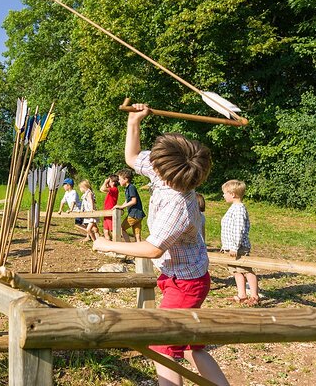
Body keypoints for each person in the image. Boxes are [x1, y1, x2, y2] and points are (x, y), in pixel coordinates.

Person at [93, 103, 229, 386]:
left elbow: (153, 248)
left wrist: (108, 246)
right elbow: (132, 157)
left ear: (164, 169)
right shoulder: (165, 174)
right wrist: (134, 122)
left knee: (163, 349)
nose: (149, 162)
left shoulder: (177, 205)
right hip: (178, 276)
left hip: (186, 283)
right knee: (192, 345)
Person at [220, 180, 258, 307]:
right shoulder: (233, 208)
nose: (223, 195)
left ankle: (254, 296)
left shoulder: (239, 209)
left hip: (238, 247)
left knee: (246, 270)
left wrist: (234, 247)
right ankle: (242, 295)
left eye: (225, 193)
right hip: (231, 247)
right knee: (236, 271)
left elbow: (238, 229)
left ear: (233, 194)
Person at [115, 168, 145, 242]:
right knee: (137, 234)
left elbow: (133, 201)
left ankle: (128, 245)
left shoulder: (131, 187)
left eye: (119, 179)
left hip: (134, 214)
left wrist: (121, 206)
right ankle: (138, 250)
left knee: (122, 228)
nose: (118, 181)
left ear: (125, 179)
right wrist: (121, 206)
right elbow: (127, 200)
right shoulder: (128, 188)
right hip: (138, 214)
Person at [100, 175, 120, 241]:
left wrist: (105, 182)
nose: (108, 182)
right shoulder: (111, 190)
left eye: (110, 181)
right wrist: (107, 182)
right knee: (105, 231)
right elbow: (101, 189)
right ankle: (109, 245)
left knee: (112, 230)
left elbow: (103, 188)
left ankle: (115, 245)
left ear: (113, 182)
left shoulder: (114, 189)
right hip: (106, 212)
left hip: (110, 212)